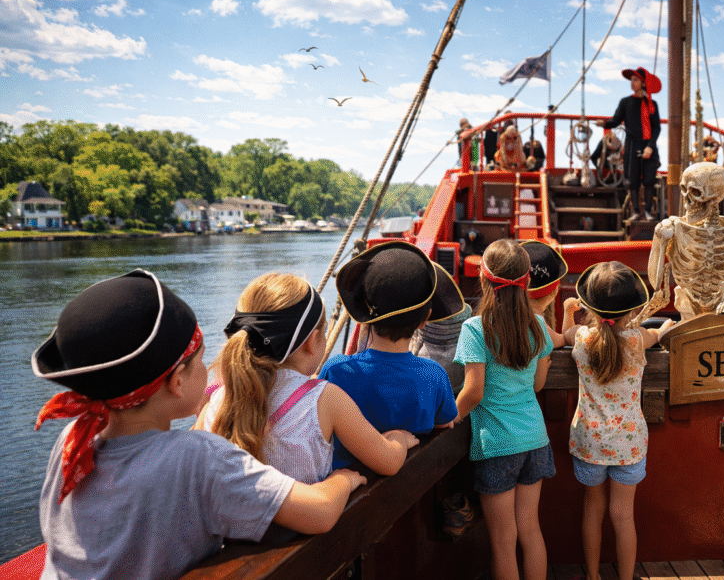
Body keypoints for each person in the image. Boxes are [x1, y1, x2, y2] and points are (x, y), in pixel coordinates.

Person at [32, 270, 367, 580]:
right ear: (178, 381)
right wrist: (344, 478)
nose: (209, 369)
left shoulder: (74, 439)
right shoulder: (198, 458)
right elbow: (320, 512)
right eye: (200, 359)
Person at [194, 273, 417, 482]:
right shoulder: (325, 398)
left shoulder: (215, 402)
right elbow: (388, 463)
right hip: (312, 521)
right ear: (313, 341)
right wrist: (399, 439)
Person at [452, 239, 563, 580]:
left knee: (503, 540)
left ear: (484, 281)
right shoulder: (538, 326)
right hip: (535, 440)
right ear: (527, 282)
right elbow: (537, 386)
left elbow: (473, 392)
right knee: (530, 531)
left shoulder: (475, 328)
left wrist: (447, 417)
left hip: (498, 445)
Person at [560, 262, 672, 580]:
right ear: (632, 308)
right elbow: (657, 332)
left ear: (589, 304)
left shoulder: (581, 338)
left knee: (592, 510)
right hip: (629, 441)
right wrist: (664, 329)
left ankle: (592, 576)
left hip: (589, 441)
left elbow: (564, 333)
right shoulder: (637, 339)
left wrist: (569, 310)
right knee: (623, 516)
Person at [319, 241, 464, 470]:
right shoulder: (434, 375)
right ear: (425, 318)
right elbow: (445, 421)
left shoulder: (336, 371)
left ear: (365, 313)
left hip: (347, 492)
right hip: (413, 488)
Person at [595, 67, 662, 221]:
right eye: (631, 80)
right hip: (632, 144)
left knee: (649, 180)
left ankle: (648, 212)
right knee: (632, 180)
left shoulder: (652, 105)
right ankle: (636, 212)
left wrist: (650, 147)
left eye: (635, 80)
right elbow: (616, 120)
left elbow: (657, 127)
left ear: (643, 83)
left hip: (648, 144)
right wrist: (603, 124)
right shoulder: (626, 102)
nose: (632, 83)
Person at [522, 239, 568, 331]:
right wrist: (568, 312)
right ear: (554, 292)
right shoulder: (545, 333)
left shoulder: (493, 321)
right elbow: (567, 338)